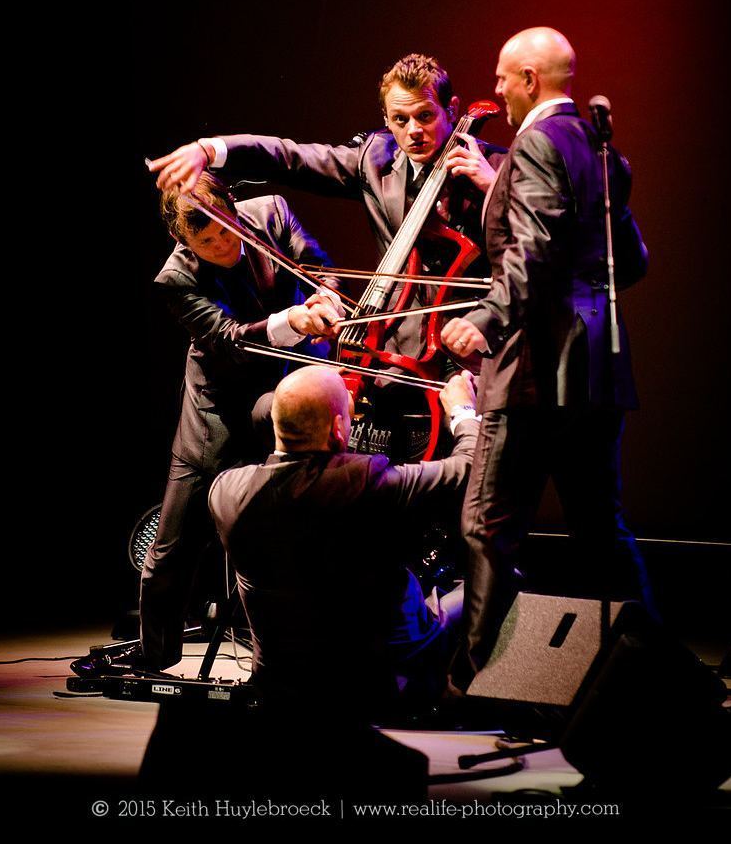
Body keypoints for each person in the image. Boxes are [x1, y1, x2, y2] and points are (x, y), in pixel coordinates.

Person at [440, 27, 655, 687]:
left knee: (486, 526)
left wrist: (484, 318)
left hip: (534, 368)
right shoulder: (598, 147)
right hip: (594, 368)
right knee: (598, 528)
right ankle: (650, 672)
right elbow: (633, 262)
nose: (496, 88)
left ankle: (480, 683)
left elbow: (529, 248)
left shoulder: (534, 142)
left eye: (503, 77)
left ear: (530, 79)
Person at [76, 174, 343, 675]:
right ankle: (154, 653)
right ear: (183, 240)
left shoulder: (272, 213)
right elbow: (229, 339)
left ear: (232, 207)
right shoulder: (174, 278)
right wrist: (293, 319)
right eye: (207, 241)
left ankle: (309, 647)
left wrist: (324, 297)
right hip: (218, 408)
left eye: (226, 229)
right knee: (174, 547)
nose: (225, 244)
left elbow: (319, 268)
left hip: (281, 390)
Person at [147, 54, 508, 366]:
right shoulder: (375, 162)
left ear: (452, 109)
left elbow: (543, 251)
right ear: (385, 118)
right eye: (400, 119)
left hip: (475, 343)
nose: (413, 131)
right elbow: (290, 159)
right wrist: (210, 151)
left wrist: (493, 187)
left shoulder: (497, 166)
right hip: (396, 347)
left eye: (425, 116)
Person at [208, 365, 480, 719]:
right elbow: (469, 467)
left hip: (278, 686)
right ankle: (447, 691)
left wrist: (315, 395)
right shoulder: (367, 482)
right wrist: (462, 410)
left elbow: (268, 417)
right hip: (369, 687)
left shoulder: (226, 492)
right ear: (338, 428)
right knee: (499, 582)